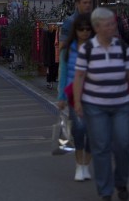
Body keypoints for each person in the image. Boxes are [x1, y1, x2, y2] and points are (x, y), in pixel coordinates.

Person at [73, 8, 129, 201]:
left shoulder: (122, 47)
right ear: (97, 27)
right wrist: (77, 101)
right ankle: (105, 191)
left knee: (123, 144)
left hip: (121, 104)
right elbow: (79, 77)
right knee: (101, 147)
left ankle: (121, 181)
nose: (113, 27)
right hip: (95, 106)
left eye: (113, 23)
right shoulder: (87, 50)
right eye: (109, 24)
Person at [57, 13, 93, 182]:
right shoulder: (68, 48)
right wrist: (61, 96)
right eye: (81, 29)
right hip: (74, 94)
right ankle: (79, 164)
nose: (85, 32)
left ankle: (87, 164)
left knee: (92, 132)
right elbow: (63, 73)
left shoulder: (96, 47)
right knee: (78, 130)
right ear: (75, 31)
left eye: (88, 29)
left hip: (94, 94)